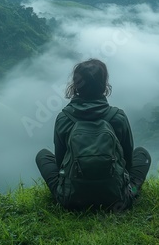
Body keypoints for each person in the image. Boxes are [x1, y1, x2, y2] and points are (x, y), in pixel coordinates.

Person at [35, 58, 151, 211]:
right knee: (142, 154)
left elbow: (60, 164)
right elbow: (128, 163)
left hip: (70, 200)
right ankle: (132, 192)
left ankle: (61, 194)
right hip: (118, 199)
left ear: (76, 86)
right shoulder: (118, 117)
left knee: (42, 155)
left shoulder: (64, 118)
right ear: (104, 86)